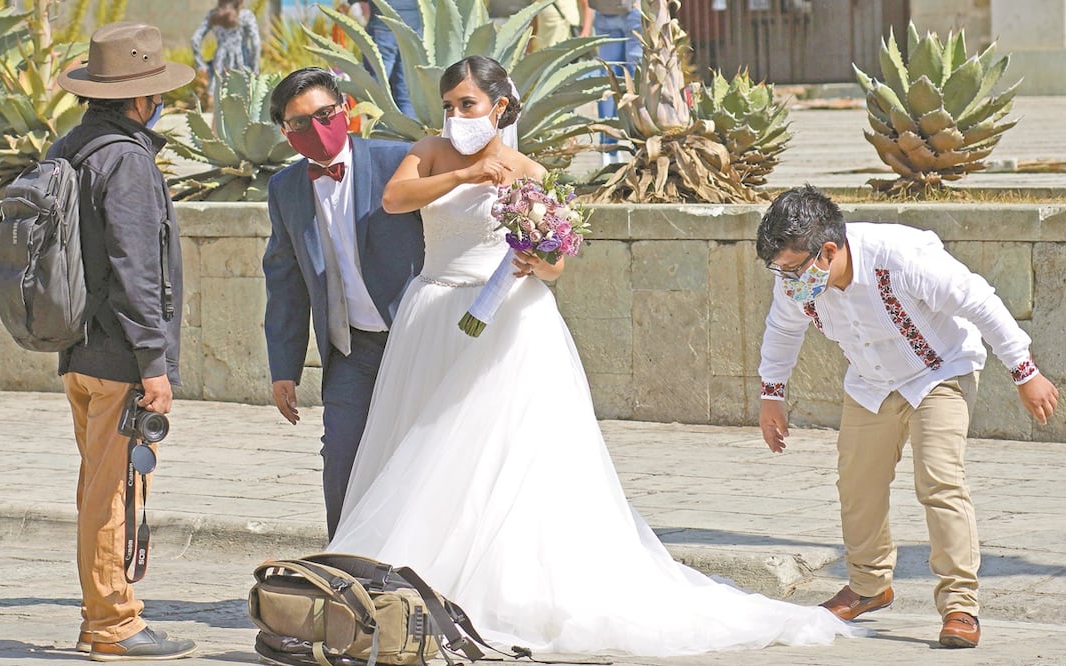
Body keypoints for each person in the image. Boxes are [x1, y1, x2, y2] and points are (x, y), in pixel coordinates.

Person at [325, 55, 862, 655]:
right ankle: (409, 578)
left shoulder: (530, 170)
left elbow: (554, 262)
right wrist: (464, 178)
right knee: (420, 442)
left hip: (509, 323)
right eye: (449, 106)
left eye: (468, 105)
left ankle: (497, 584)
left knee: (492, 449)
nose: (455, 116)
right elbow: (396, 200)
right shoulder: (428, 152)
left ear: (499, 107)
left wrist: (537, 260)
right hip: (432, 315)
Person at [755, 185, 1060, 649]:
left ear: (829, 251)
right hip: (870, 383)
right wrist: (771, 395)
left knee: (939, 479)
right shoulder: (796, 278)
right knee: (857, 482)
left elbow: (979, 301)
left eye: (793, 268)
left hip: (939, 371)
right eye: (779, 270)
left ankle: (960, 605)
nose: (787, 280)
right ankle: (868, 586)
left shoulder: (901, 257)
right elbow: (782, 329)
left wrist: (1025, 371)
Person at [52, 21, 197, 661]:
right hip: (119, 357)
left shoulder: (69, 148)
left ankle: (99, 616)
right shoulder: (128, 159)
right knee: (113, 493)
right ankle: (114, 624)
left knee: (97, 484)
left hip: (77, 350)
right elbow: (136, 269)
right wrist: (154, 363)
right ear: (140, 100)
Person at [262, 68, 424, 539]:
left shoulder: (398, 161)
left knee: (421, 460)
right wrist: (284, 368)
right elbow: (285, 281)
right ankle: (347, 571)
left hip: (413, 340)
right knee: (342, 461)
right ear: (284, 133)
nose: (315, 127)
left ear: (346, 108)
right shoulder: (285, 189)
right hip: (350, 350)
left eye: (324, 114)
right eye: (298, 123)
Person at [347, 0, 422, 117]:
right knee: (407, 93)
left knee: (377, 90)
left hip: (383, 28)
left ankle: (380, 131)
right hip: (413, 31)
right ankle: (409, 132)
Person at [589, 0, 641, 163]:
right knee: (635, 80)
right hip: (632, 11)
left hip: (604, 12)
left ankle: (608, 147)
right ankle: (639, 144)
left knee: (608, 78)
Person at [190, 0, 261, 98]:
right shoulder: (246, 16)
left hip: (220, 65)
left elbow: (195, 39)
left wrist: (201, 66)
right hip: (243, 64)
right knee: (245, 103)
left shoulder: (213, 15)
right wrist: (255, 68)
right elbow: (256, 43)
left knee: (219, 101)